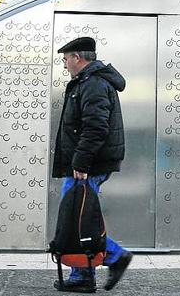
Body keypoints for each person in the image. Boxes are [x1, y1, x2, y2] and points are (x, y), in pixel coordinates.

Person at [52, 36, 133, 293]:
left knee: (78, 218)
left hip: (89, 163)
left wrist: (81, 162)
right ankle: (84, 274)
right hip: (87, 161)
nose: (65, 65)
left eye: (66, 59)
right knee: (78, 216)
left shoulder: (94, 84)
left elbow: (96, 127)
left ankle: (113, 258)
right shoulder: (87, 82)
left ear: (78, 57)